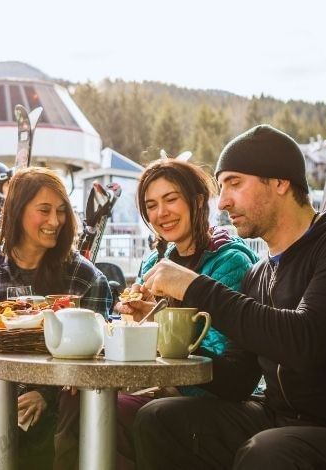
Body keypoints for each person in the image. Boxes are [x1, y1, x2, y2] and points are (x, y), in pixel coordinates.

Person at [135, 125, 326, 469]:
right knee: (159, 418)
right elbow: (237, 380)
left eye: (235, 183)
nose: (222, 201)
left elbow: (305, 340)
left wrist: (195, 287)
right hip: (285, 421)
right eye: (221, 188)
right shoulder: (259, 275)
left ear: (280, 182)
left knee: (270, 451)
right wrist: (164, 337)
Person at [53, 158, 261, 470]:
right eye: (151, 205)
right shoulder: (154, 262)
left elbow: (223, 360)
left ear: (198, 201)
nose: (160, 213)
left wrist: (160, 322)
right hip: (153, 386)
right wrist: (132, 322)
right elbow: (132, 334)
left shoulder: (229, 262)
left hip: (209, 398)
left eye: (171, 199)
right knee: (76, 398)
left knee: (105, 413)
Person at [0, 166, 112, 469]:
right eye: (44, 210)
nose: (55, 221)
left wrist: (43, 393)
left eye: (61, 211)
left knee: (50, 423)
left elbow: (101, 353)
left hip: (59, 393)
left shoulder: (84, 277)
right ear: (17, 211)